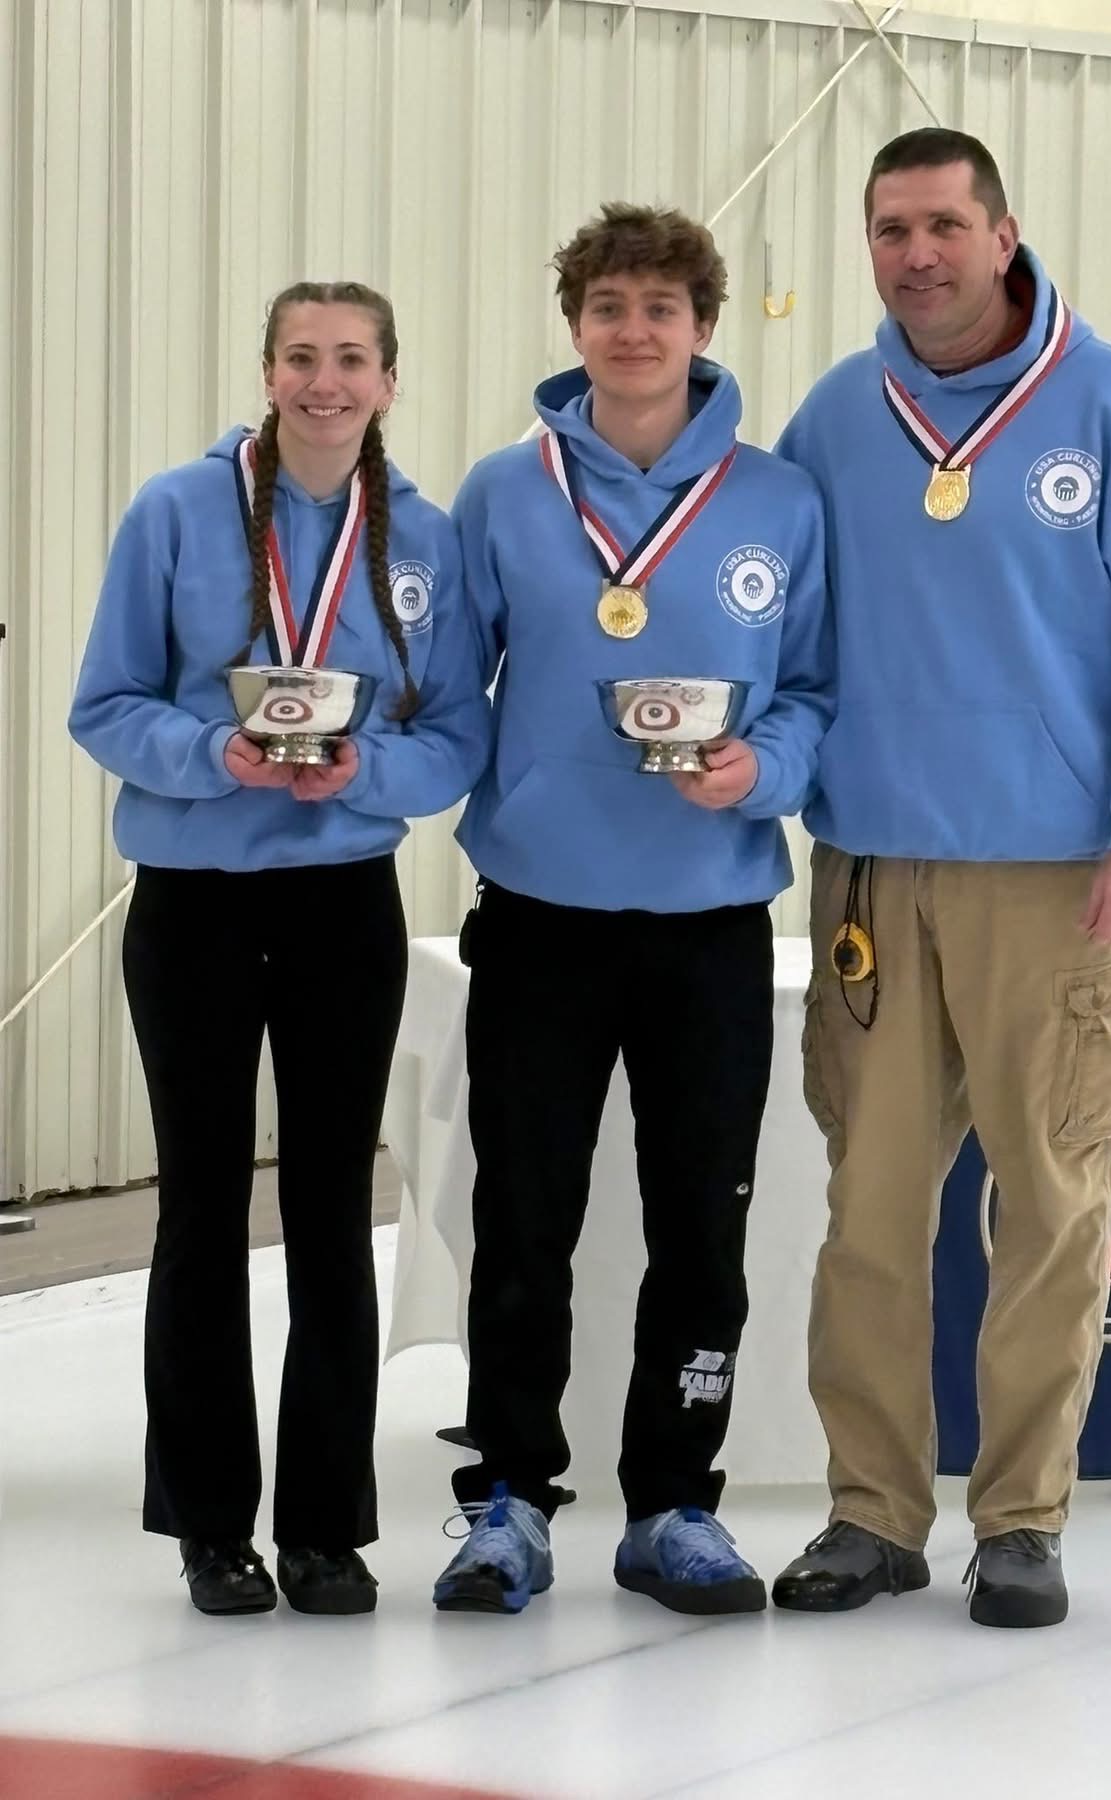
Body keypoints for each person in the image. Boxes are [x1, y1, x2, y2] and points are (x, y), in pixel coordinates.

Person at [769, 129, 1111, 1628]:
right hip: (874, 872)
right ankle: (871, 1511)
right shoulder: (837, 416)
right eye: (890, 229)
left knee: (1050, 1205)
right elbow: (782, 635)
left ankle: (1021, 1519)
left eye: (943, 225)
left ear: (1002, 232)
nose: (917, 253)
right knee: (869, 1213)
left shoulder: (1108, 405)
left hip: (1053, 878)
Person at [431, 203, 832, 1617]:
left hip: (707, 918)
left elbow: (813, 694)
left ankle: (673, 1504)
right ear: (574, 326)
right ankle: (505, 1503)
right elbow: (442, 693)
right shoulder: (501, 491)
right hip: (539, 911)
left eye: (662, 306)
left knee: (697, 1231)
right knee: (523, 1223)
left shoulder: (779, 502)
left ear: (704, 327)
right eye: (608, 306)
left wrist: (760, 765)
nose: (635, 330)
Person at [69, 281, 489, 1617]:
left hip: (339, 904)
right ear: (266, 371)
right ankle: (208, 1526)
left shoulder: (421, 537)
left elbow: (457, 737)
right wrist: (213, 752)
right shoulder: (175, 514)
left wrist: (365, 770)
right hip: (192, 903)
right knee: (199, 1208)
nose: (326, 382)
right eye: (302, 358)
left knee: (327, 1211)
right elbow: (105, 704)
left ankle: (321, 1527)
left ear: (388, 380)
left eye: (352, 359)